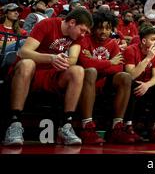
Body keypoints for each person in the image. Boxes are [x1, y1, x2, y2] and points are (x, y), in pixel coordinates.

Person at [3, 8, 93, 146]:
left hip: (51, 74)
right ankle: (14, 123)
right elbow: (24, 52)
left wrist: (62, 61)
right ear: (72, 23)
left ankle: (66, 125)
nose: (84, 35)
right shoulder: (47, 24)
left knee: (78, 71)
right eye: (82, 30)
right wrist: (51, 58)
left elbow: (73, 59)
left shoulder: (77, 37)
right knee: (27, 64)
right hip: (30, 71)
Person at [78, 11, 137, 144]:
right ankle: (87, 127)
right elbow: (85, 63)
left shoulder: (113, 43)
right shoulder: (84, 40)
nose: (104, 31)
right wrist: (110, 62)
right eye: (100, 28)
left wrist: (94, 61)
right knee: (91, 71)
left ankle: (117, 127)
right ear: (93, 28)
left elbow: (119, 68)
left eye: (108, 28)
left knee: (126, 77)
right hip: (85, 82)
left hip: (105, 81)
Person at [124, 24, 155, 142]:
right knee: (133, 85)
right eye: (153, 39)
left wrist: (147, 85)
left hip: (146, 85)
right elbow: (131, 76)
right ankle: (128, 126)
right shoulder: (131, 50)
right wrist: (147, 58)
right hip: (131, 85)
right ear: (144, 40)